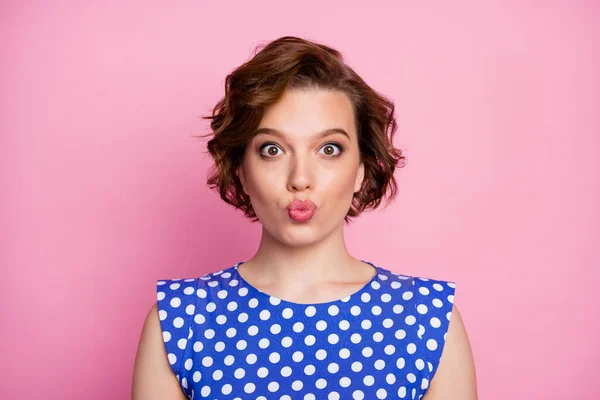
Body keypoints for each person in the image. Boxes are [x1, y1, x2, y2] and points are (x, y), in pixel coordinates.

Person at [132, 36, 477, 399]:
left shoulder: (429, 321)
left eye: (329, 149)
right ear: (242, 171)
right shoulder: (180, 322)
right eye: (272, 149)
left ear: (361, 168)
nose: (300, 178)